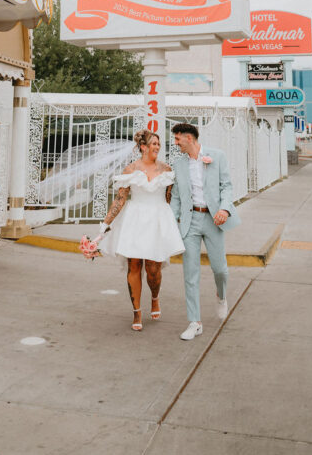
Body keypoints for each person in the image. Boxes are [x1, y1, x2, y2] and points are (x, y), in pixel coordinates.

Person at [91, 129, 184, 331]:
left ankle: (155, 297)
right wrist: (106, 224)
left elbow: (169, 199)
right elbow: (120, 199)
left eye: (158, 144)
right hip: (135, 219)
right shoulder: (130, 170)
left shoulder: (167, 170)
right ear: (143, 147)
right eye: (153, 143)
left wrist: (173, 223)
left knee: (153, 269)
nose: (157, 147)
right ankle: (137, 311)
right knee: (134, 265)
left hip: (157, 219)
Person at [170, 122, 240, 340]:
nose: (176, 143)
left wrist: (224, 209)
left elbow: (226, 186)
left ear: (189, 138)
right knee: (190, 273)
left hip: (213, 219)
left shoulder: (216, 156)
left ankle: (221, 295)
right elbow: (176, 197)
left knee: (220, 269)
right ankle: (195, 322)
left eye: (178, 139)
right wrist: (171, 223)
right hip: (189, 222)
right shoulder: (178, 164)